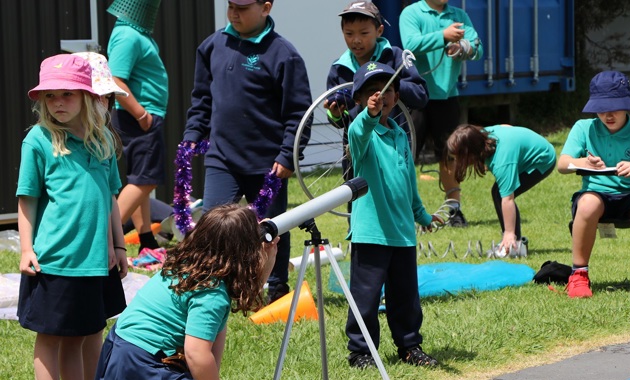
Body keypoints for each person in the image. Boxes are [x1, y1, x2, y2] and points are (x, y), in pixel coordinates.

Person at [89, 204, 276, 380]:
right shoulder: (212, 294)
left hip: (119, 357)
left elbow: (243, 294)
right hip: (145, 368)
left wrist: (270, 256)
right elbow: (197, 354)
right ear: (244, 253)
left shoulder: (186, 267)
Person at [17, 53, 126, 380]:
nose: (57, 103)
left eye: (67, 94)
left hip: (95, 260)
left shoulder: (102, 141)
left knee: (85, 332)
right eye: (50, 96)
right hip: (54, 262)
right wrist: (26, 250)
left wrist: (120, 246)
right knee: (51, 337)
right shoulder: (38, 141)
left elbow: (110, 197)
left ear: (87, 96)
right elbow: (26, 200)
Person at [183, 0, 312, 304]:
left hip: (268, 164)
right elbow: (201, 99)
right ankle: (212, 288)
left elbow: (299, 114)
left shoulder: (284, 54)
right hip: (222, 158)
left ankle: (277, 290)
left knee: (271, 230)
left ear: (266, 7)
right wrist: (193, 135)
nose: (234, 13)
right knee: (213, 225)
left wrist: (287, 156)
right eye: (230, 5)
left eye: (242, 7)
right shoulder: (211, 46)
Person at [345, 61, 441, 369]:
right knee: (366, 298)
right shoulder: (361, 133)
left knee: (406, 298)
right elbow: (360, 131)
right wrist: (369, 116)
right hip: (371, 231)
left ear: (396, 95)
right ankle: (361, 352)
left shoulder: (400, 134)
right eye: (372, 91)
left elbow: (408, 181)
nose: (380, 96)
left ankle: (410, 346)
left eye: (386, 90)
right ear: (359, 99)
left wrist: (422, 215)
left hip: (402, 233)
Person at [557, 70, 630, 298]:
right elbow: (562, 164)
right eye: (601, 109)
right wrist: (584, 162)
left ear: (627, 105)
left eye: (615, 108)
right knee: (589, 202)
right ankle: (579, 275)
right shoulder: (584, 129)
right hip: (594, 197)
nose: (608, 114)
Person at [325, 1, 429, 204]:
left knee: (397, 199)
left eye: (364, 33)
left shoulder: (395, 57)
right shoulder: (339, 68)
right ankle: (358, 235)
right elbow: (339, 121)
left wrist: (392, 85)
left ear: (379, 30)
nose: (356, 40)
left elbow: (421, 96)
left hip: (393, 147)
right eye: (349, 34)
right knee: (357, 199)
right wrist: (336, 114)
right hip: (358, 151)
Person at [400, 0, 483, 227]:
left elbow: (477, 47)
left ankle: (454, 210)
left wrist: (462, 48)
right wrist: (443, 36)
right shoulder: (411, 13)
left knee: (450, 155)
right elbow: (410, 45)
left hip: (448, 96)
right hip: (415, 97)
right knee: (406, 156)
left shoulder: (459, 15)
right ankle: (403, 211)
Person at [106, 0, 169, 254]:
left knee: (140, 178)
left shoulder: (133, 32)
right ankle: (104, 239)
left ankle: (147, 242)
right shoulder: (128, 35)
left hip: (141, 116)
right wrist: (141, 113)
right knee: (145, 180)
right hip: (139, 117)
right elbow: (115, 78)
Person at [446, 124, 556, 253]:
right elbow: (506, 126)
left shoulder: (502, 161)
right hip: (523, 151)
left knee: (499, 193)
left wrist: (509, 232)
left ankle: (514, 244)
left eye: (459, 157)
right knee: (497, 192)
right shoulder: (481, 135)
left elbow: (508, 199)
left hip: (542, 159)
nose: (456, 161)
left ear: (471, 152)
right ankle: (511, 241)